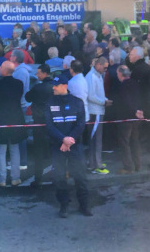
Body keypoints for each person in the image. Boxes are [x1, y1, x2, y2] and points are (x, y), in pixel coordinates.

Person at [46, 74, 92, 218]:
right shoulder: (49, 103)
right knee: (59, 178)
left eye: (56, 85)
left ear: (64, 86)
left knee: (80, 177)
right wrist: (63, 139)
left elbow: (80, 124)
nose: (53, 87)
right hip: (58, 146)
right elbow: (49, 126)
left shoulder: (77, 102)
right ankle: (64, 205)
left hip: (74, 146)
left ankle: (84, 206)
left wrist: (69, 140)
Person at [0, 60, 28, 187]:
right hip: (15, 119)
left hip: (0, 120)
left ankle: (1, 179)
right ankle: (15, 177)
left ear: (4, 70)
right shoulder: (19, 84)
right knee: (15, 148)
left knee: (0, 150)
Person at [110, 65, 143, 173]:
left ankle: (128, 167)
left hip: (126, 118)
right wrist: (138, 111)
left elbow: (125, 101)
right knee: (135, 141)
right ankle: (138, 165)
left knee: (125, 142)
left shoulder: (123, 86)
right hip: (136, 118)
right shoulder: (136, 83)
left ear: (120, 74)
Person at [85, 57, 110, 173]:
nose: (105, 70)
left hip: (98, 111)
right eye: (104, 67)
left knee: (96, 139)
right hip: (95, 112)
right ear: (98, 65)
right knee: (95, 139)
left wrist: (105, 100)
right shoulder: (91, 77)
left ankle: (95, 161)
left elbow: (99, 93)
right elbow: (91, 96)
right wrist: (103, 102)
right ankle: (95, 164)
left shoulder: (98, 76)